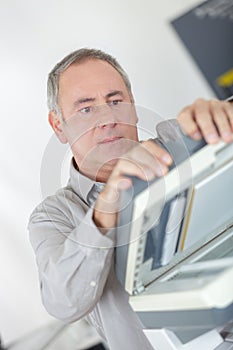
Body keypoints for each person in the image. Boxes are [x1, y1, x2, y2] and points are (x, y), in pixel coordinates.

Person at [28, 48, 233, 350]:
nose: (108, 118)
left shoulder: (180, 144)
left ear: (134, 106)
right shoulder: (52, 217)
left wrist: (222, 115)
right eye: (86, 109)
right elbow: (63, 303)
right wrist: (106, 208)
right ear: (58, 125)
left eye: (116, 101)